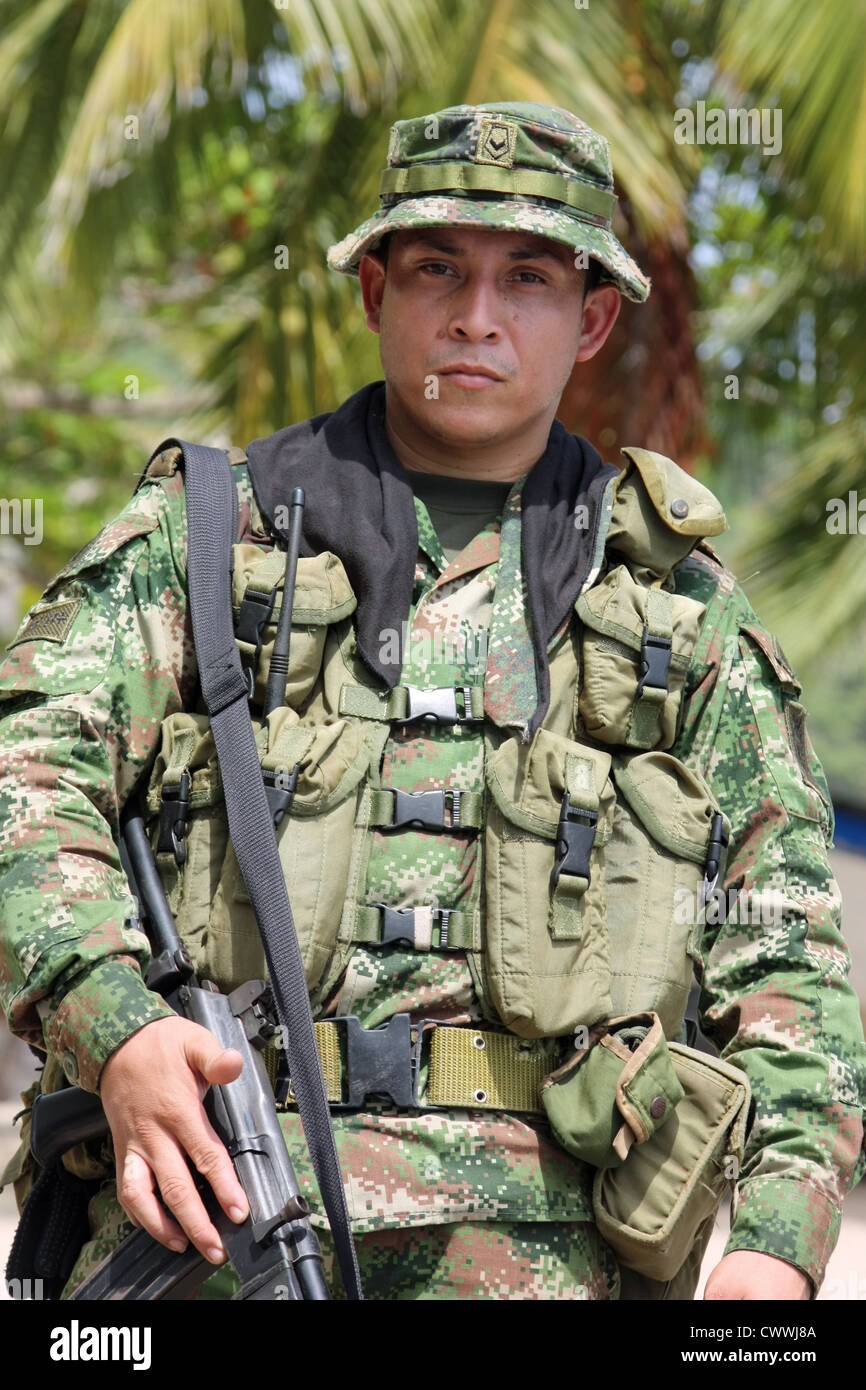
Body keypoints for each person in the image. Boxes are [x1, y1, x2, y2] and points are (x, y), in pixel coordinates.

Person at [0, 101, 863, 1302]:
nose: (476, 315)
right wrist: (117, 1026)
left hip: (556, 1259)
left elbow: (789, 965)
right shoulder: (208, 539)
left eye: (527, 277)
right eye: (436, 270)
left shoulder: (677, 609)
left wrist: (768, 1258)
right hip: (221, 1223)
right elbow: (22, 778)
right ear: (372, 293)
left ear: (594, 318)